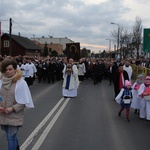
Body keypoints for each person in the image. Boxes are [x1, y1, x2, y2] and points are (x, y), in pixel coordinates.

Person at [0, 59, 34, 150]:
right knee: (10, 135)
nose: (8, 71)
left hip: (14, 114)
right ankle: (16, 147)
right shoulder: (1, 82)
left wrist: (12, 108)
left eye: (10, 69)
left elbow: (24, 101)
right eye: (6, 70)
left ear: (15, 69)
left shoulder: (21, 83)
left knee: (10, 137)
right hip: (3, 114)